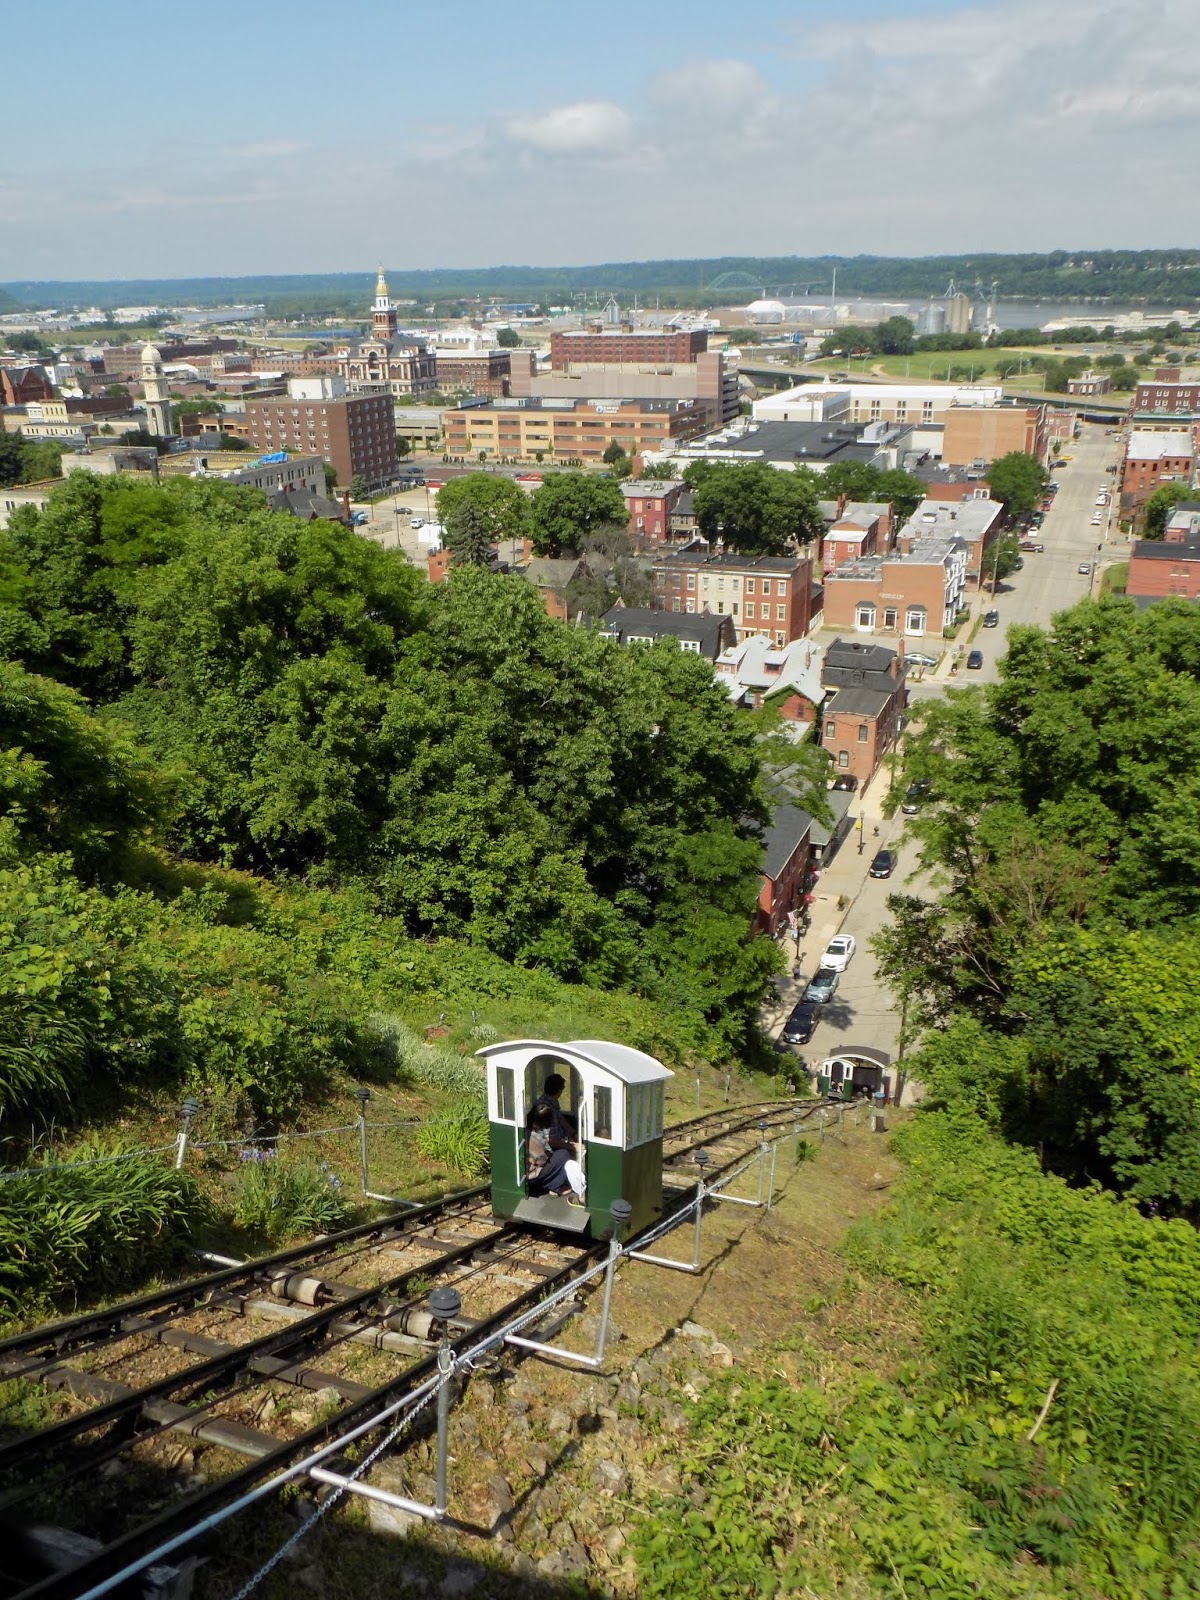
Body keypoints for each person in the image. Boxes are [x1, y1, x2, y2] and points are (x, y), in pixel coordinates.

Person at [525, 1104, 585, 1205]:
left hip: (530, 1168)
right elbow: (541, 1161)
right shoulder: (537, 1137)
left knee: (559, 1155)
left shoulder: (528, 1129)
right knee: (563, 1155)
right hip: (532, 1174)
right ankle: (556, 1186)